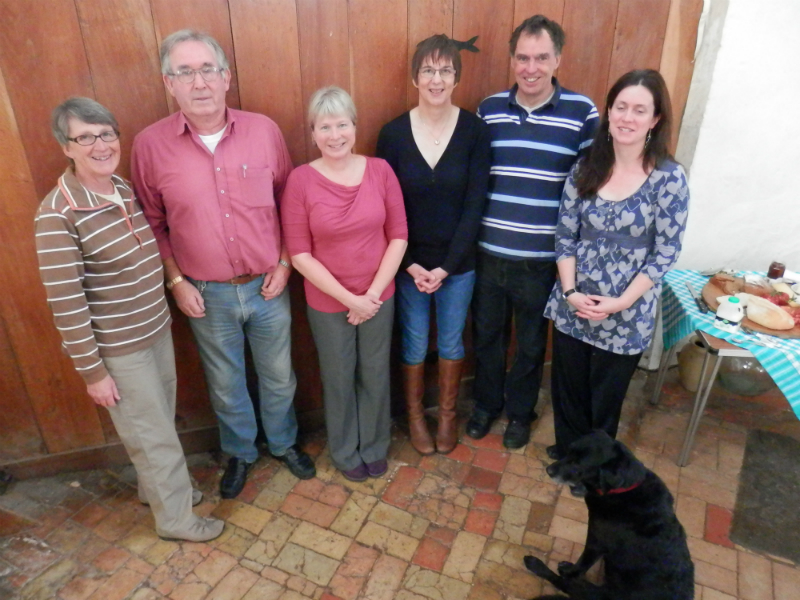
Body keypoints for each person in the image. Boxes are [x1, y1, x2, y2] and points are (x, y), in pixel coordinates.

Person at [131, 29, 315, 500]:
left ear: (226, 77)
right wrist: (176, 281)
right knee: (226, 383)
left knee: (279, 376)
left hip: (268, 285)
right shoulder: (150, 146)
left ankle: (284, 443)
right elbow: (152, 222)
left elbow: (289, 202)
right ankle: (240, 453)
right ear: (169, 83)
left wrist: (285, 264)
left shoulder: (264, 131)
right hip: (204, 293)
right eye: (184, 72)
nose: (199, 82)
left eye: (207, 70)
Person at [34, 97, 224, 542]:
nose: (100, 145)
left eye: (106, 134)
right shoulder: (58, 214)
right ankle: (176, 520)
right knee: (154, 435)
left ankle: (156, 492)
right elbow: (66, 303)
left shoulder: (121, 187)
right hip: (119, 350)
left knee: (154, 425)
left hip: (155, 331)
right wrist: (93, 373)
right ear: (66, 147)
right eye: (85, 137)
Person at [544, 69, 689, 466]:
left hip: (627, 310)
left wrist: (621, 302)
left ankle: (594, 467)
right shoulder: (585, 168)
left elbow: (666, 251)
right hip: (575, 301)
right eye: (620, 107)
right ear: (608, 112)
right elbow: (565, 235)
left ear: (655, 119)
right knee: (568, 389)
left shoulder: (669, 178)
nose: (627, 117)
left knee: (605, 398)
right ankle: (569, 456)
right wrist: (570, 292)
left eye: (639, 110)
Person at [467, 15, 599, 449]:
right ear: (512, 60)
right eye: (523, 58)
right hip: (488, 252)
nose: (531, 68)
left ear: (557, 59)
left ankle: (520, 413)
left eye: (541, 58)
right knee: (486, 337)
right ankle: (486, 405)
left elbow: (590, 190)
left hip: (543, 259)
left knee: (529, 344)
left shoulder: (582, 114)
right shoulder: (488, 110)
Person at [281, 86, 408, 482]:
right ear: (312, 133)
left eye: (341, 125)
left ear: (354, 126)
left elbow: (399, 236)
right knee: (337, 378)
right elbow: (299, 254)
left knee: (375, 373)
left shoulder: (381, 171)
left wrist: (370, 296)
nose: (334, 135)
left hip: (378, 296)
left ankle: (374, 446)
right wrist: (350, 299)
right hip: (328, 302)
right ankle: (344, 449)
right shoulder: (300, 180)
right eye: (324, 127)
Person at [376, 35, 490, 455]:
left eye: (445, 70)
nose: (436, 79)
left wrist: (446, 267)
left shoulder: (475, 131)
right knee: (413, 342)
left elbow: (475, 206)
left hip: (457, 266)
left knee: (452, 342)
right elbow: (385, 207)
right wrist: (409, 263)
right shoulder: (392, 134)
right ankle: (414, 417)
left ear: (457, 78)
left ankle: (446, 416)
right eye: (428, 70)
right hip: (408, 265)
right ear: (415, 78)